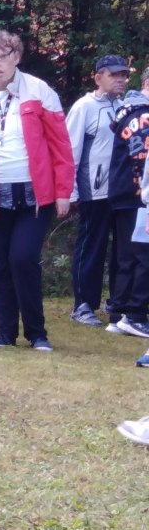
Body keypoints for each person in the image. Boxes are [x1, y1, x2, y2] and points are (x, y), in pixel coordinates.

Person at [0, 30, 74, 351]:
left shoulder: (40, 91)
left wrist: (65, 191)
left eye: (3, 57)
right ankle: (5, 332)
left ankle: (37, 333)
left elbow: (61, 146)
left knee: (23, 258)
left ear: (16, 57)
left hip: (36, 196)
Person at [67, 55, 129, 327]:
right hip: (94, 191)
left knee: (123, 251)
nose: (120, 79)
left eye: (124, 75)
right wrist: (69, 193)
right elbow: (70, 151)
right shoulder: (84, 107)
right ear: (98, 77)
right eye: (114, 74)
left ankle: (118, 302)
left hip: (123, 190)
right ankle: (83, 304)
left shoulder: (126, 106)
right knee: (91, 248)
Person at [108, 70, 149, 352]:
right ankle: (133, 314)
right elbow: (141, 155)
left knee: (130, 255)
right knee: (140, 256)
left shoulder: (132, 110)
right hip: (137, 195)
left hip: (131, 194)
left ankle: (119, 312)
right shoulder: (141, 115)